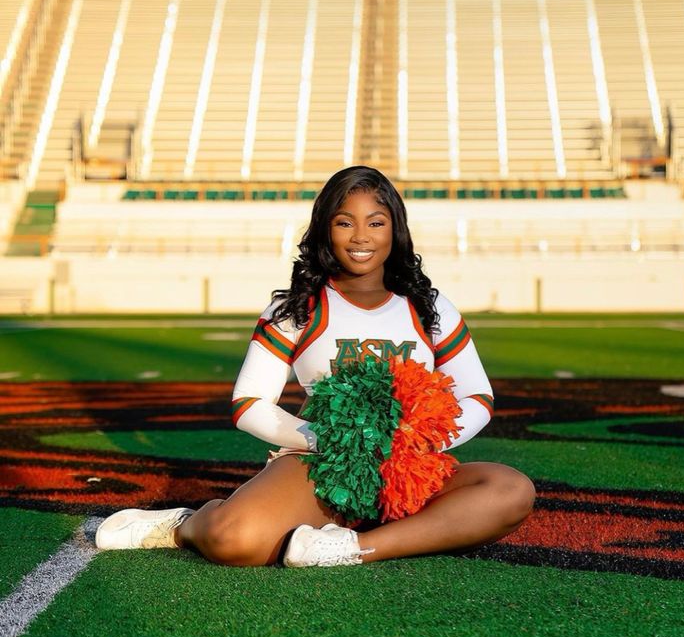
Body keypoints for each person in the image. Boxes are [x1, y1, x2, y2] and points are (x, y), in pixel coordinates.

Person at [96, 166, 535, 567]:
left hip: (408, 469)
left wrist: (419, 443)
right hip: (320, 465)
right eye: (345, 222)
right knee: (233, 539)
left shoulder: (428, 305)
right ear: (326, 229)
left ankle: (348, 547)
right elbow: (248, 403)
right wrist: (331, 439)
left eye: (376, 223)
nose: (361, 237)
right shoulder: (297, 307)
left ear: (395, 230)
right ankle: (183, 524)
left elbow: (476, 396)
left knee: (510, 491)